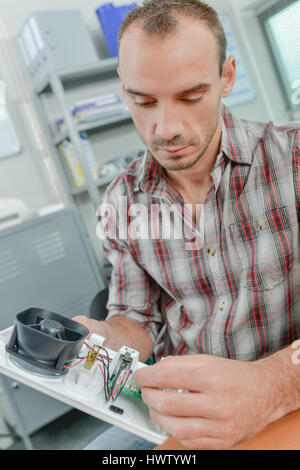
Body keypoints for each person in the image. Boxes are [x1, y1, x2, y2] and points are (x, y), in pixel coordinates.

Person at [74, 0, 300, 450]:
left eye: (191, 97)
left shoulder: (291, 161)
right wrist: (102, 338)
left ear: (227, 78)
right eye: (143, 101)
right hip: (177, 409)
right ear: (124, 91)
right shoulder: (122, 200)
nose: (167, 128)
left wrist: (271, 386)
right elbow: (136, 321)